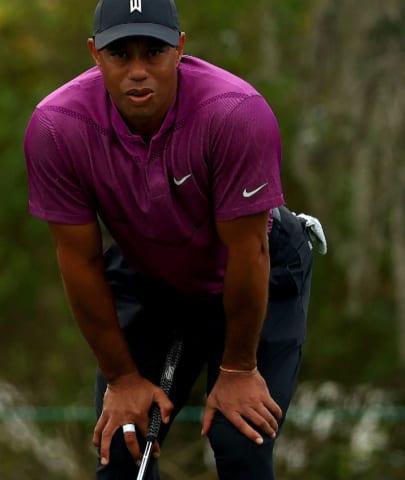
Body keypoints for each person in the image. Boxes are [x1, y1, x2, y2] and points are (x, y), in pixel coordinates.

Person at [24, 1, 325, 478]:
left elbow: (250, 252)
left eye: (154, 52)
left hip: (256, 264)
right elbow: (79, 262)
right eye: (121, 55)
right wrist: (122, 379)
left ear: (181, 48)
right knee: (123, 444)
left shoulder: (234, 113)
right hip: (152, 266)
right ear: (94, 54)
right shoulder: (57, 127)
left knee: (239, 437)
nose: (138, 71)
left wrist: (239, 371)